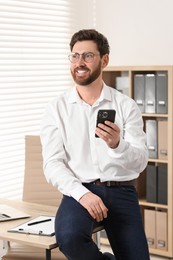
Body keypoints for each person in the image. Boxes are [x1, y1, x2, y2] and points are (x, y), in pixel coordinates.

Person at [40, 29, 150, 260]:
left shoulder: (126, 106)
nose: (79, 62)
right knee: (69, 238)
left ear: (104, 60)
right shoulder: (56, 108)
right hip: (80, 190)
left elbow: (141, 162)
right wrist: (82, 194)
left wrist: (118, 144)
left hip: (121, 190)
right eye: (75, 56)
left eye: (88, 56)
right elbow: (52, 163)